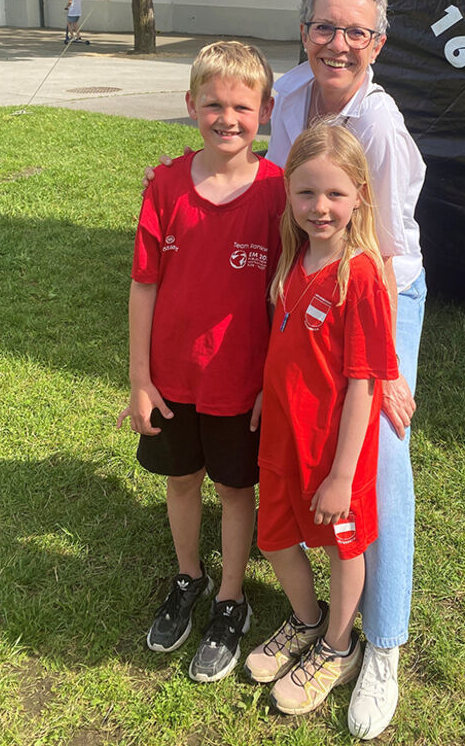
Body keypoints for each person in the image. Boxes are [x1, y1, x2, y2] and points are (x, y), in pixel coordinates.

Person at [144, 0, 425, 736]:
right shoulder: (293, 91)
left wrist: (390, 368)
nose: (339, 43)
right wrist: (176, 178)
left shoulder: (380, 124)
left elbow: (386, 247)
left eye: (356, 31)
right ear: (305, 31)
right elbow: (273, 180)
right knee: (299, 458)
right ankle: (311, 621)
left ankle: (377, 645)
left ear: (379, 43)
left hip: (382, 284)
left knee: (375, 462)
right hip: (305, 283)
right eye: (326, 26)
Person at [118, 41, 284, 684]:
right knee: (181, 480)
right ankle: (190, 576)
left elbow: (287, 295)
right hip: (172, 381)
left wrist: (271, 383)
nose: (227, 117)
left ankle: (231, 598)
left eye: (242, 105)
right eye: (212, 103)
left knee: (235, 491)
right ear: (190, 106)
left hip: (242, 382)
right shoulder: (164, 185)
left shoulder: (278, 193)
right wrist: (139, 378)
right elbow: (144, 284)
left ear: (264, 110)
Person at [244, 122, 398, 717]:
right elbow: (288, 344)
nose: (320, 207)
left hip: (335, 451)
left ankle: (339, 646)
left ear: (360, 191)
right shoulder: (296, 254)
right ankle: (306, 622)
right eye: (306, 193)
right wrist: (266, 391)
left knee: (341, 547)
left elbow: (365, 382)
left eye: (334, 193)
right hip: (283, 435)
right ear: (289, 194)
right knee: (275, 535)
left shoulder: (359, 277)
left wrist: (340, 475)